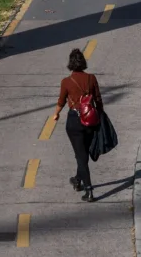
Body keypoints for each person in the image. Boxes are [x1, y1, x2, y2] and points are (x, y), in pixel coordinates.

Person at [52, 48, 103, 202]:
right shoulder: (91, 78)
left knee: (80, 155)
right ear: (83, 62)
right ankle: (77, 180)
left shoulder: (66, 82)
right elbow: (98, 100)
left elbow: (61, 101)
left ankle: (89, 190)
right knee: (83, 154)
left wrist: (56, 113)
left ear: (70, 64)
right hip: (90, 120)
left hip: (74, 121)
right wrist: (99, 116)